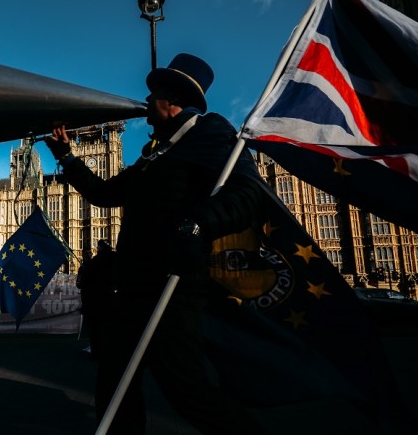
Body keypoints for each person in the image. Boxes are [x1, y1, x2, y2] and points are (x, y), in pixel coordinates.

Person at [45, 53, 267, 434]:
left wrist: (198, 224)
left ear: (172, 100)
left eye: (153, 96)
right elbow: (105, 193)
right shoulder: (155, 152)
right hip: (131, 286)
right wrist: (67, 157)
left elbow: (250, 194)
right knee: (115, 382)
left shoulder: (210, 132)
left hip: (172, 286)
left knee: (188, 392)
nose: (146, 102)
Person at [76, 239, 116, 360]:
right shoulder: (114, 259)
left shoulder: (93, 264)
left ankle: (97, 351)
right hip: (104, 300)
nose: (89, 255)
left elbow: (82, 283)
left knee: (95, 328)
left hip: (93, 302)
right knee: (103, 327)